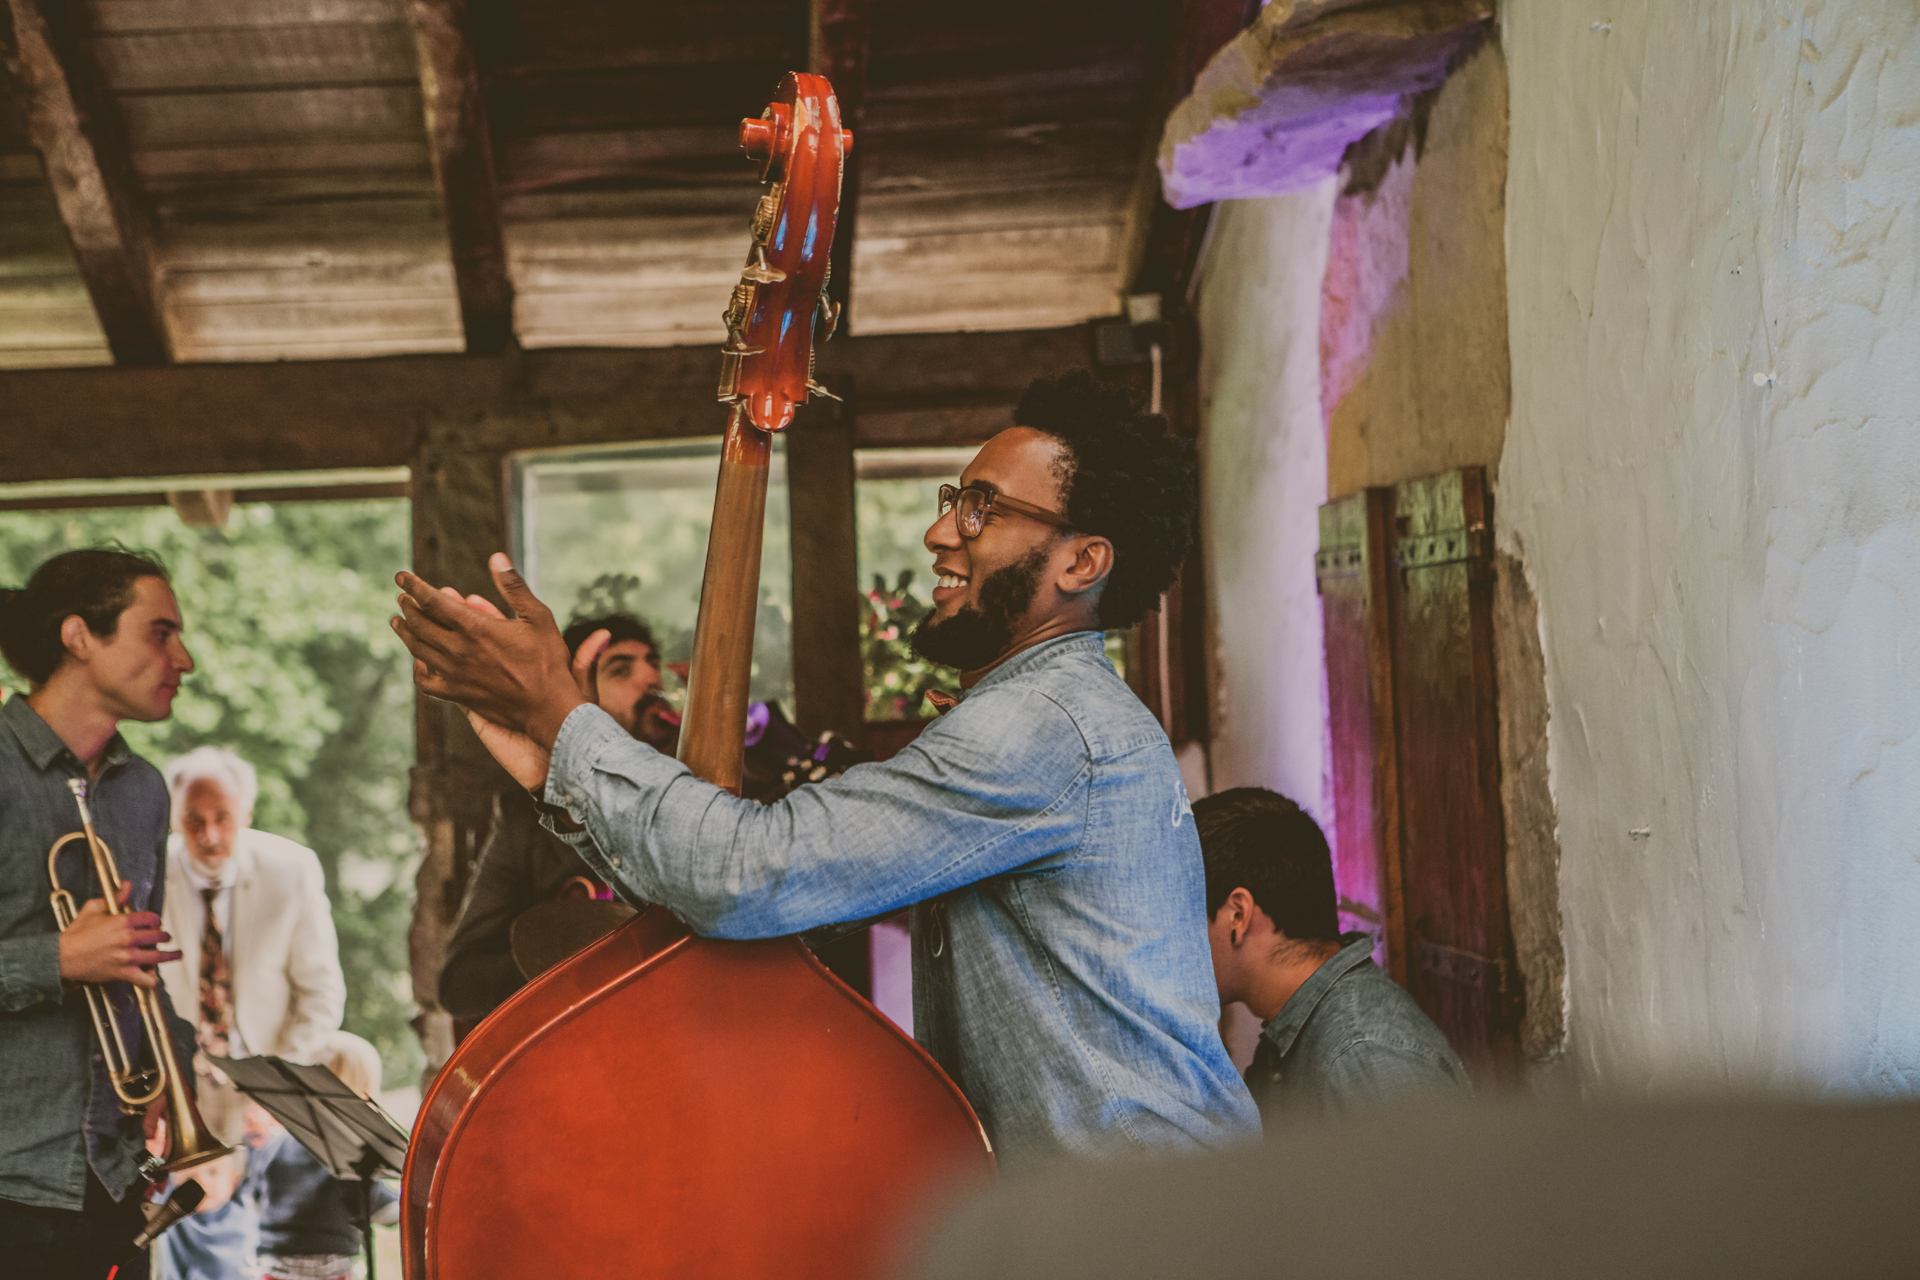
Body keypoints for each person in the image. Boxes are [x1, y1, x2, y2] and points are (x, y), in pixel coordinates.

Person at [393, 370, 1261, 1166]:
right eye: (953, 499)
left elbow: (748, 871)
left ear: (1082, 561)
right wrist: (560, 767)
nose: (938, 532)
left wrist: (561, 713)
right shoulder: (1055, 714)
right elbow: (785, 908)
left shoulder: (1043, 726)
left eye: (981, 509)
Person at [0, 548, 200, 1279]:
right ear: (79, 636)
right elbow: (84, 957)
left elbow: (136, 962)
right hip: (10, 1184)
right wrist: (58, 959)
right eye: (160, 632)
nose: (185, 658)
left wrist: (176, 1056)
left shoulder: (143, 789)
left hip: (111, 1181)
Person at [438, 613, 667, 1024]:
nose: (652, 681)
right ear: (573, 697)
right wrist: (568, 952)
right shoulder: (523, 821)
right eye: (621, 669)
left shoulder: (706, 793)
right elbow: (459, 984)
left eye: (653, 663)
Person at [1194, 787, 1470, 1118]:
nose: (1173, 944)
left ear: (1238, 915)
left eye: (1183, 918)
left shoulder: (1363, 1057)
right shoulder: (1291, 1028)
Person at [158, 748, 346, 1144]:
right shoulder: (148, 873)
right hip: (179, 1073)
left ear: (246, 812)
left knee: (356, 1056)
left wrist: (282, 1087)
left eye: (222, 817)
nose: (208, 835)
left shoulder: (293, 870)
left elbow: (321, 994)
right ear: (175, 819)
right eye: (194, 820)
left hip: (270, 1065)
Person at [243, 1030, 398, 1280]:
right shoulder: (350, 1154)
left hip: (272, 1270)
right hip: (329, 1271)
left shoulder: (274, 1144)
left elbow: (253, 1199)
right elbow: (383, 1210)